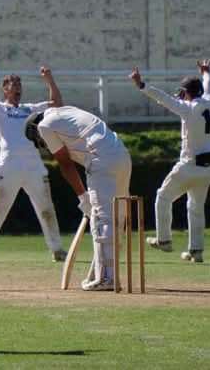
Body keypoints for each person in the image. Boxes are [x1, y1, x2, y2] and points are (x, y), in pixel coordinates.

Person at [0, 65, 66, 263]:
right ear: (5, 88)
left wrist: (49, 80)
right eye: (14, 85)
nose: (18, 88)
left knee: (46, 208)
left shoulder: (30, 109)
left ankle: (57, 250)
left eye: (20, 85)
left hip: (34, 167)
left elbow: (57, 104)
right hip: (9, 165)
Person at [25, 105, 132, 291]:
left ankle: (107, 278)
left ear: (35, 128)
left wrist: (83, 197)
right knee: (118, 217)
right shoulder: (67, 111)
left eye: (40, 142)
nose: (44, 145)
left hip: (100, 159)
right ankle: (104, 272)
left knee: (102, 219)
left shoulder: (43, 126)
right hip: (121, 154)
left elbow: (65, 164)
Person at [129, 60, 210, 263]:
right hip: (207, 169)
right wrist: (206, 72)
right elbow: (208, 85)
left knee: (163, 197)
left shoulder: (186, 108)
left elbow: (162, 98)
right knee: (196, 208)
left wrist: (141, 85)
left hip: (188, 166)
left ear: (187, 92)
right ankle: (196, 251)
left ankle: (164, 240)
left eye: (183, 92)